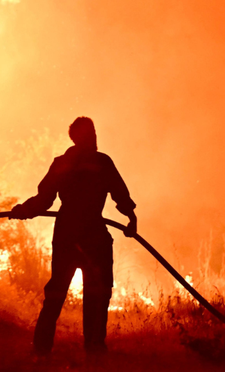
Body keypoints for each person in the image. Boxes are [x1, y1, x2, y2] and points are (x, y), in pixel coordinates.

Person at [9, 117, 137, 355]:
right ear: (82, 137)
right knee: (93, 294)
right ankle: (93, 347)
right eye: (91, 133)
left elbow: (44, 199)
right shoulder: (100, 162)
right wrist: (131, 218)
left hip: (68, 234)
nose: (95, 138)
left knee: (62, 293)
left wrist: (24, 210)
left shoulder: (66, 163)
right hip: (92, 236)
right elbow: (120, 194)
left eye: (94, 132)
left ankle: (45, 349)